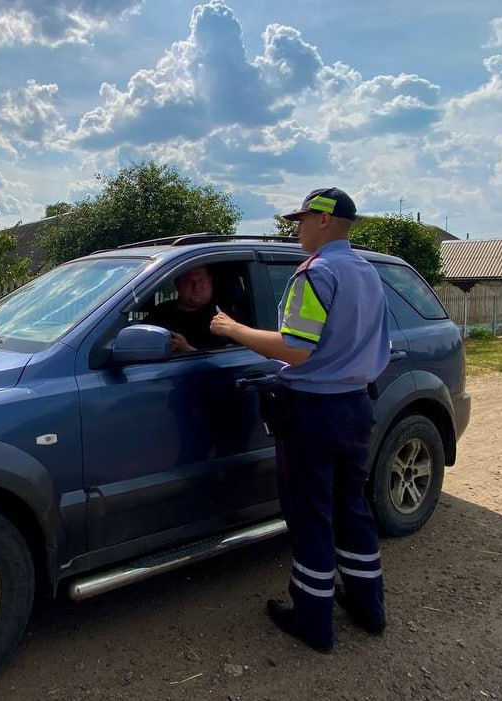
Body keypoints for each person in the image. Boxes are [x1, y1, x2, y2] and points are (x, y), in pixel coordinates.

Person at [209, 187, 390, 652]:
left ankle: (313, 621)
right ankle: (369, 607)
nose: (297, 229)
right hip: (356, 406)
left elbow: (295, 349)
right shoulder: (368, 272)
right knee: (351, 507)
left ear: (324, 220)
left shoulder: (316, 273)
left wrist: (232, 329)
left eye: (302, 220)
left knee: (311, 514)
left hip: (314, 411)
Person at [144, 265, 229, 352]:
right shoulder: (161, 312)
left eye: (201, 280)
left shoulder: (223, 316)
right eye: (189, 281)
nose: (196, 286)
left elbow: (227, 356)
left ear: (210, 280)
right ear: (177, 284)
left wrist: (186, 349)